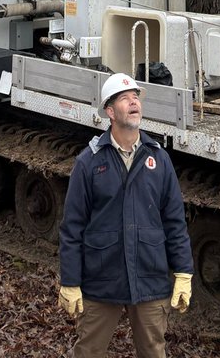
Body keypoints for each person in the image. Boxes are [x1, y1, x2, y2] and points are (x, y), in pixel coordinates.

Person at [58, 72, 193, 358]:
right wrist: (70, 281)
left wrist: (183, 272)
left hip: (149, 278)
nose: (134, 103)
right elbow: (72, 228)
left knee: (154, 351)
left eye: (136, 98)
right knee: (89, 351)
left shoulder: (159, 158)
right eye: (124, 98)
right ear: (110, 111)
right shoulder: (89, 162)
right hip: (101, 280)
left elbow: (174, 221)